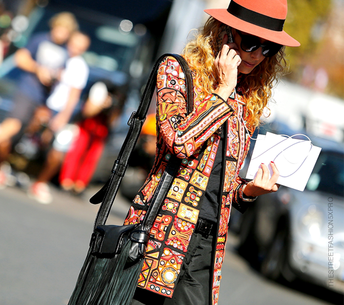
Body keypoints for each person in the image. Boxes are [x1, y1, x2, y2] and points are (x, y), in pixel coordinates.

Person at [125, 1, 300, 305]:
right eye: (251, 43)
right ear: (224, 34)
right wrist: (222, 91)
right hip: (159, 232)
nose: (257, 55)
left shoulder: (247, 99)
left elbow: (220, 182)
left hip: (208, 246)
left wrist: (248, 190)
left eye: (268, 48)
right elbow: (179, 141)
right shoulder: (177, 72)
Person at [0, 12, 78, 182]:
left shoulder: (64, 51)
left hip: (42, 97)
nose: (62, 34)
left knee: (21, 135)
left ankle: (0, 165)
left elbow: (62, 74)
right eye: (60, 29)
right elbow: (20, 58)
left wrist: (55, 77)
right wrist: (38, 69)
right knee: (12, 125)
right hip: (27, 90)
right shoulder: (40, 40)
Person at [26, 31, 91, 204]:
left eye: (80, 47)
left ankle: (40, 183)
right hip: (45, 105)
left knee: (57, 151)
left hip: (61, 111)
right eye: (73, 44)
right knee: (31, 138)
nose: (75, 49)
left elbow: (74, 95)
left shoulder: (79, 66)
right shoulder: (59, 56)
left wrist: (63, 116)